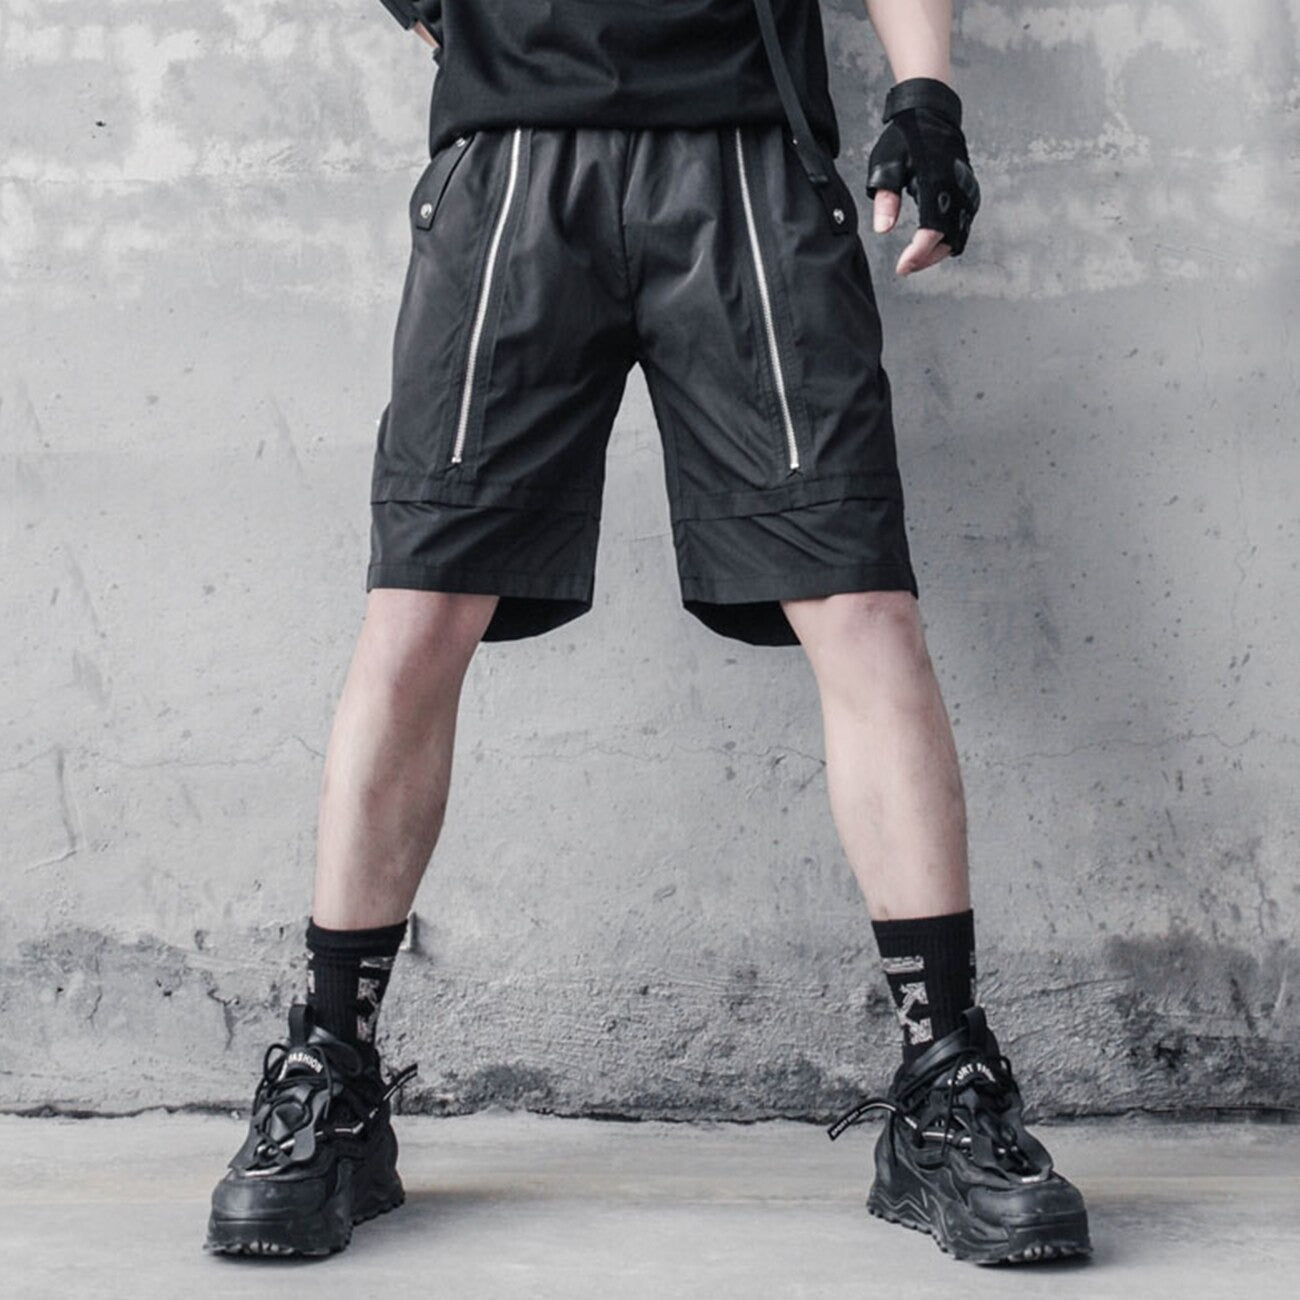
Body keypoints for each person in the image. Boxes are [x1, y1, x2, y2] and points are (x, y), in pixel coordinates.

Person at [205, 0, 1090, 1266]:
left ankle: (944, 1088)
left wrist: (924, 98)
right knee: (417, 609)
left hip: (747, 156)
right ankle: (330, 1082)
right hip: (515, 163)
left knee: (859, 604)